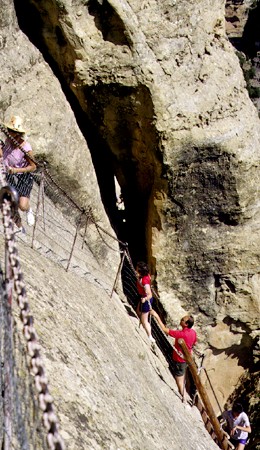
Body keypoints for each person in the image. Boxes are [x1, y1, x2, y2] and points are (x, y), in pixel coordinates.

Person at [0, 115, 36, 229]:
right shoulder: (8, 140)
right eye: (9, 130)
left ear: (19, 134)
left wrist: (17, 170)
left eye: (13, 131)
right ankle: (19, 226)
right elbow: (4, 155)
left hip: (23, 176)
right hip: (10, 172)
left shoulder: (25, 148)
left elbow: (33, 166)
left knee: (22, 205)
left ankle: (29, 209)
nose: (10, 133)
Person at [151, 310, 197, 396]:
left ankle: (183, 397)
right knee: (182, 376)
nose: (181, 320)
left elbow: (165, 330)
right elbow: (194, 343)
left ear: (186, 324)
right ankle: (184, 395)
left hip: (180, 360)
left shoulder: (181, 334)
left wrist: (156, 315)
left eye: (183, 320)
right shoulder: (193, 332)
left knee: (179, 379)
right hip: (186, 358)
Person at [135, 261, 155, 343]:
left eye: (137, 270)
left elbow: (149, 294)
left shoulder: (145, 281)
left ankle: (150, 336)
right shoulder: (146, 276)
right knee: (138, 311)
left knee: (145, 320)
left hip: (146, 300)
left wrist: (145, 299)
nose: (136, 270)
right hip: (143, 297)